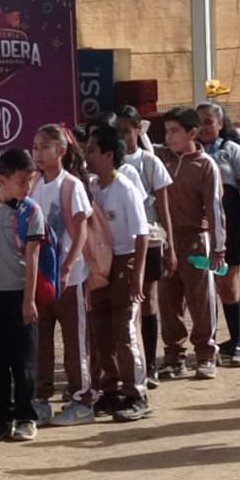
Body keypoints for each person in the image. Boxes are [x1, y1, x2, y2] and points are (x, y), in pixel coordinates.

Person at [0, 147, 46, 442]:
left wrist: (29, 300)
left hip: (20, 293)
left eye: (30, 180)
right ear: (1, 178)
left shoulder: (32, 211)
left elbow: (32, 257)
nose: (27, 187)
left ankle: (26, 416)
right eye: (21, 180)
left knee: (24, 361)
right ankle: (1, 417)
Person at [84, 126, 151, 421]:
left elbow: (142, 233)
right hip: (101, 262)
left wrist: (136, 275)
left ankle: (137, 392)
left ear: (109, 155)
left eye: (92, 152)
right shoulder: (95, 187)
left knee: (124, 328)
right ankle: (110, 390)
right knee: (101, 327)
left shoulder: (125, 189)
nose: (88, 157)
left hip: (124, 260)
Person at [156, 108, 225, 380]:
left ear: (192, 133)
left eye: (175, 131)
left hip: (197, 240)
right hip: (167, 240)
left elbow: (216, 208)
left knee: (201, 297)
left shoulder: (206, 166)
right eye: (167, 131)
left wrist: (219, 247)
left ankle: (206, 353)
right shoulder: (162, 159)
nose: (169, 137)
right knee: (167, 299)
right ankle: (174, 355)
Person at [30, 124, 90, 420]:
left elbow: (81, 232)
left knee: (73, 341)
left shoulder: (71, 185)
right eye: (36, 147)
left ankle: (81, 399)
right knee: (40, 340)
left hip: (69, 276)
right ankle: (41, 398)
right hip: (41, 277)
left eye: (44, 147)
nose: (38, 153)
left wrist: (67, 268)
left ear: (61, 151)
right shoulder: (34, 184)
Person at [116, 106, 176, 387]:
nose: (123, 136)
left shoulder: (150, 162)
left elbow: (164, 208)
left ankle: (149, 363)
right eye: (119, 131)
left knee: (148, 300)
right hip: (119, 243)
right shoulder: (108, 163)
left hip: (150, 239)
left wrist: (170, 246)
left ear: (139, 130)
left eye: (127, 130)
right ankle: (125, 364)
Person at [198, 102, 240, 366]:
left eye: (209, 121)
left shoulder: (232, 151)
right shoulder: (191, 154)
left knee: (227, 283)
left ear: (221, 124)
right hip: (200, 227)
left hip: (229, 224)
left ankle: (238, 342)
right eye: (199, 122)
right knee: (205, 285)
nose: (204, 127)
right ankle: (209, 344)